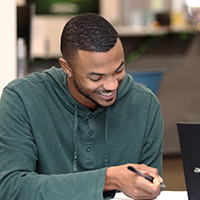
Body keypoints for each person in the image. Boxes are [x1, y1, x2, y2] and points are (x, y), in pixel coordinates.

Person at [0, 13, 164, 200]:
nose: (111, 85)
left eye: (118, 70)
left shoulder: (145, 105)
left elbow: (150, 190)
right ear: (67, 67)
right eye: (96, 77)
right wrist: (108, 179)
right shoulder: (22, 98)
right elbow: (10, 188)